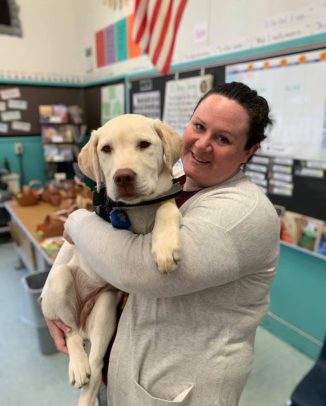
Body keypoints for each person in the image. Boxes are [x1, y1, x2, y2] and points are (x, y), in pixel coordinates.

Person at [46, 82, 280, 405]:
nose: (202, 144)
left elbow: (138, 270)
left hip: (177, 388)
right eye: (198, 126)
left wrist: (75, 220)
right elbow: (94, 239)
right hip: (119, 367)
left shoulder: (243, 212)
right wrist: (55, 300)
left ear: (249, 151)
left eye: (223, 138)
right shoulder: (175, 178)